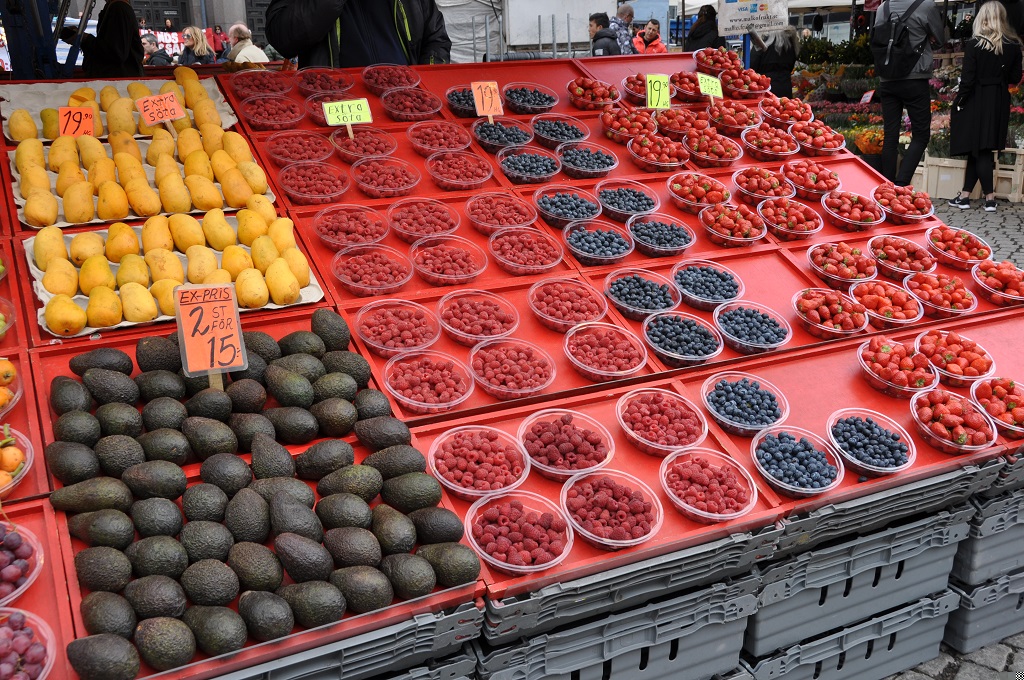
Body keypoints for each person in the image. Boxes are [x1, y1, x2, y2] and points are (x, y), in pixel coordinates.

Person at [948, 1, 1022, 211]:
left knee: (981, 149)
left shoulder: (975, 44)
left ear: (982, 18)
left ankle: (990, 198)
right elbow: (1015, 77)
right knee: (980, 147)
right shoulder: (1013, 45)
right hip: (998, 98)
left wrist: (959, 101)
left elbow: (967, 79)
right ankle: (965, 196)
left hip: (977, 99)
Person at [875, 0, 944, 186]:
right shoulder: (926, 6)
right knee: (921, 135)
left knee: (890, 134)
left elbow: (879, 38)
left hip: (887, 78)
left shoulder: (882, 8)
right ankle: (901, 184)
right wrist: (926, 37)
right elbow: (940, 39)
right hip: (914, 77)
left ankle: (886, 186)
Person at [265, 0, 450, 68]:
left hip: (402, 104)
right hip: (335, 106)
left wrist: (425, 82)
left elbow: (436, 39)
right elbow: (283, 39)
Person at [59, 0, 143, 77]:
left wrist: (86, 38)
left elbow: (116, 52)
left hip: (118, 80)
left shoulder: (118, 8)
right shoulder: (113, 7)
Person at [750, 26, 800, 97]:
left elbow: (752, 64)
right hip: (785, 85)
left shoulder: (762, 41)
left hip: (764, 85)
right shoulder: (791, 42)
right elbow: (792, 63)